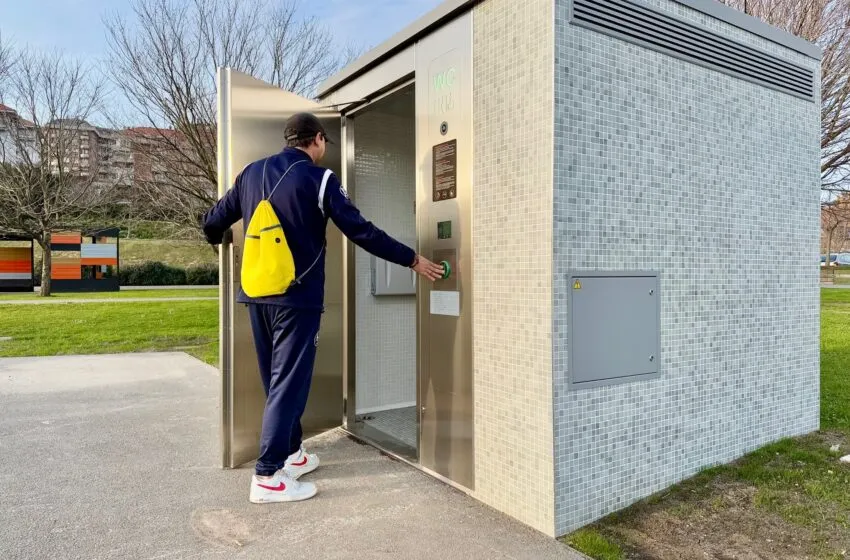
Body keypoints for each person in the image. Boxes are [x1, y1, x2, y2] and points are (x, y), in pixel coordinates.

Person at [201, 112, 445, 504]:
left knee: (276, 381)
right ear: (316, 140)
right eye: (324, 143)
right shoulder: (320, 179)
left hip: (256, 295)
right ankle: (267, 477)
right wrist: (411, 259)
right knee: (289, 383)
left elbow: (212, 222)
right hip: (297, 299)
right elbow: (361, 230)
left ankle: (292, 455)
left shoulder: (249, 174)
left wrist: (221, 240)